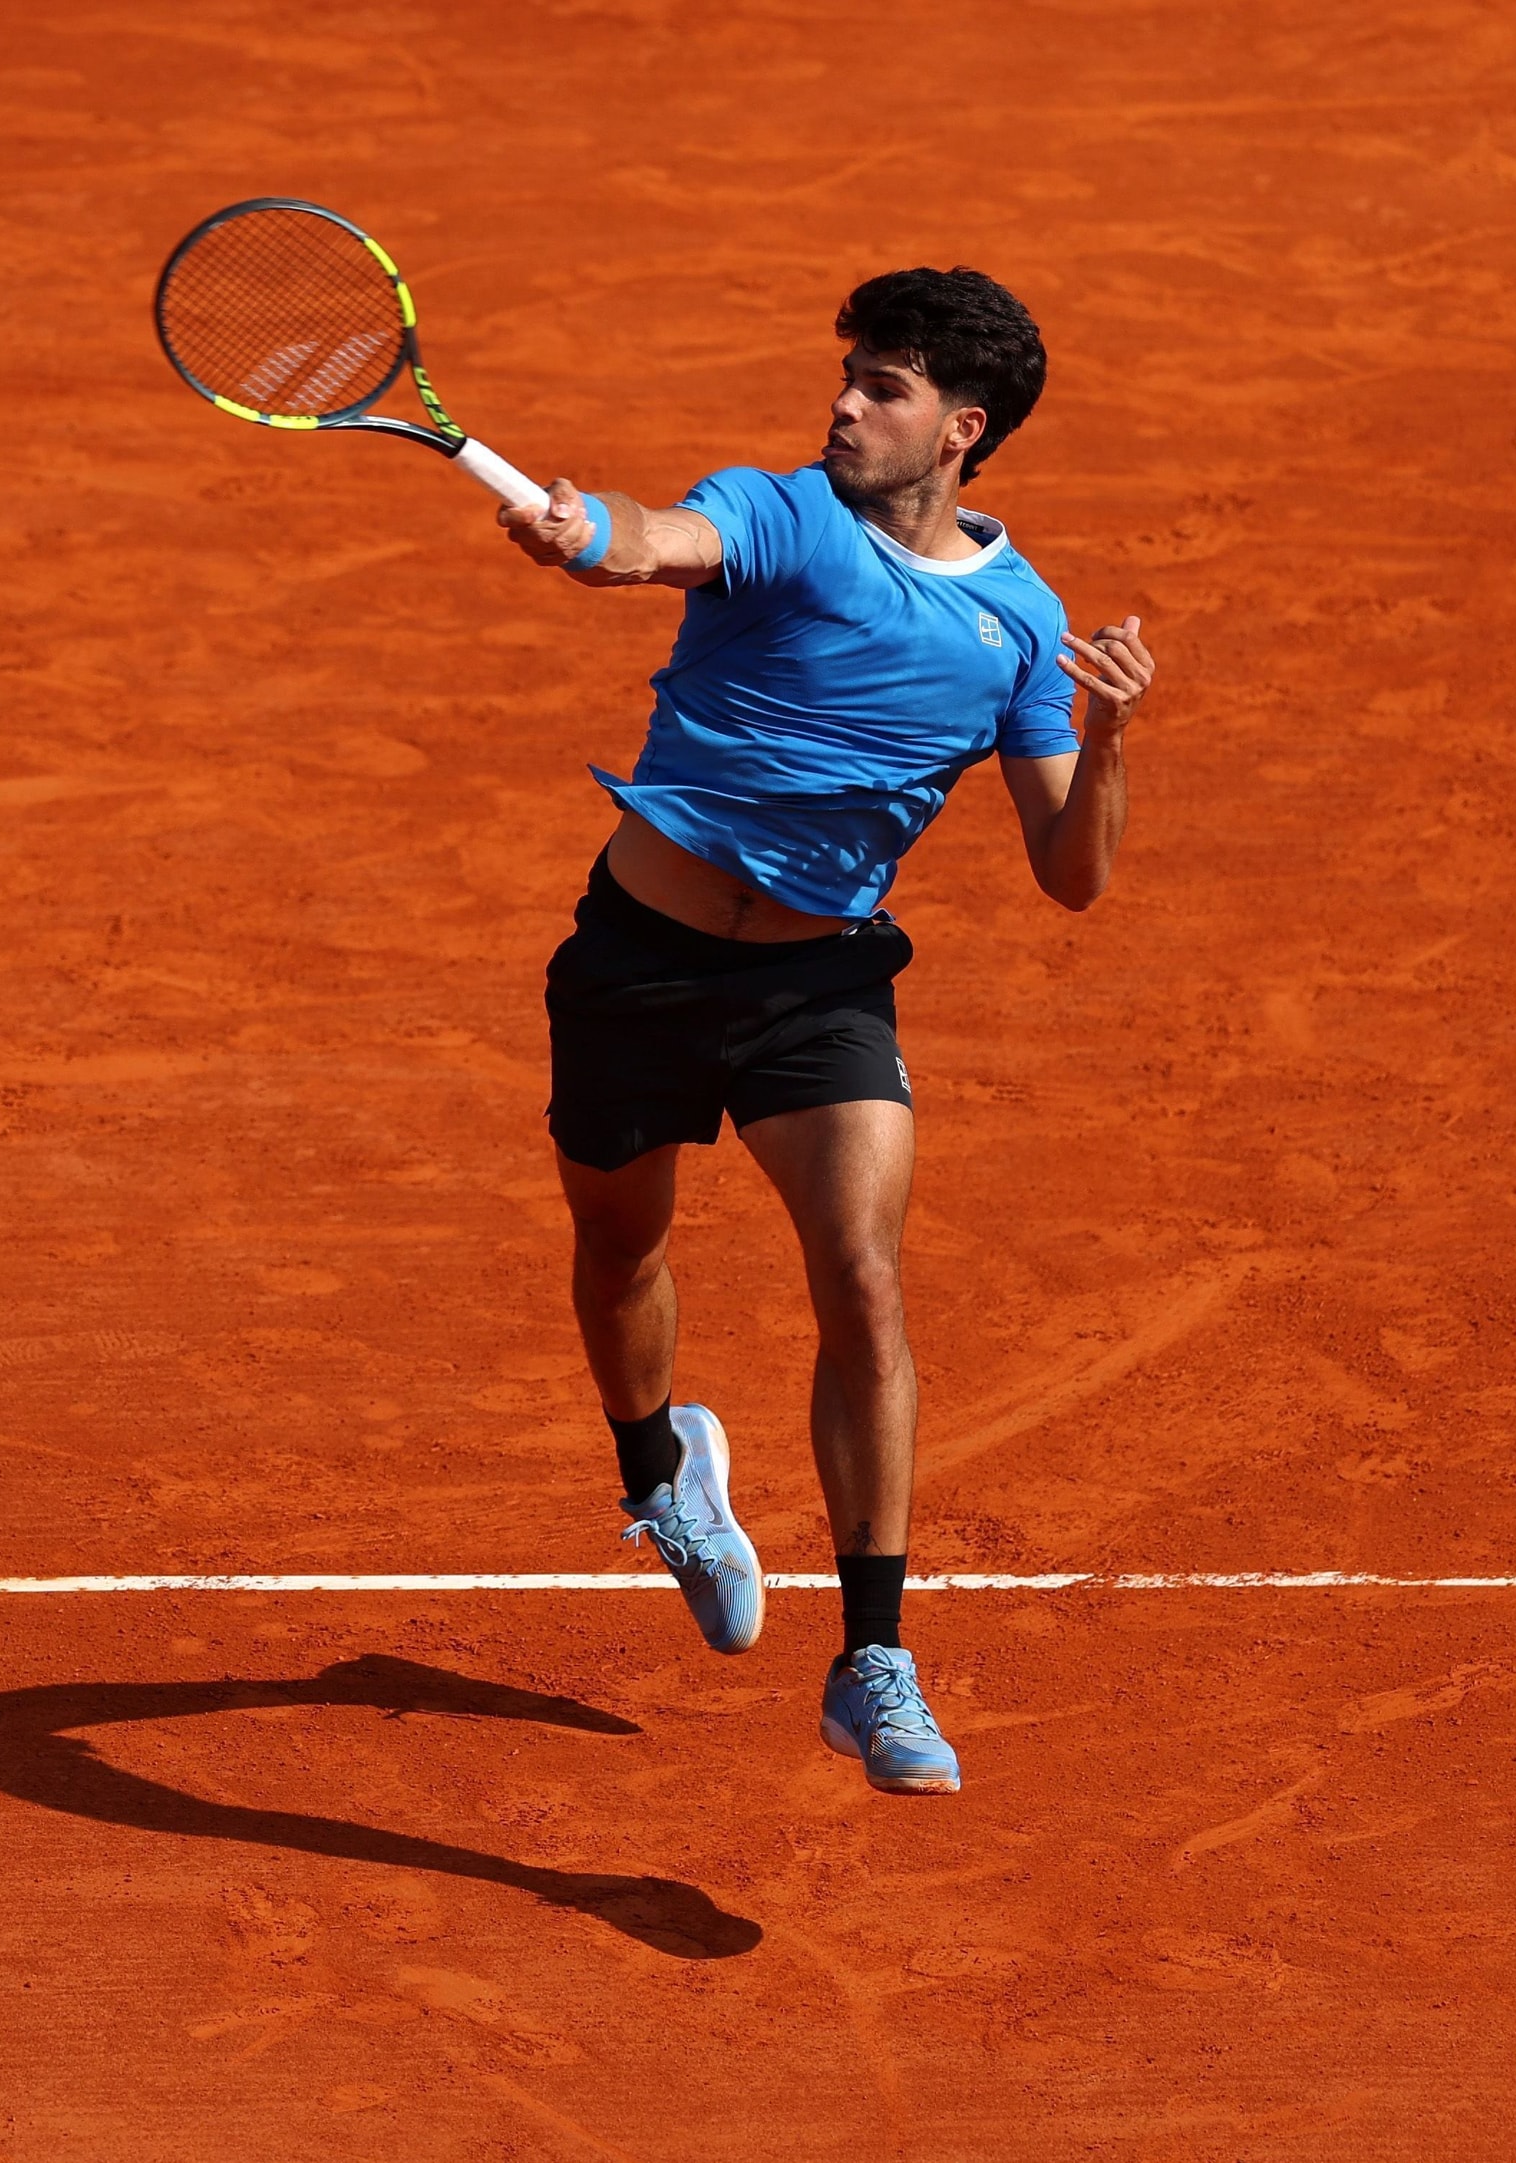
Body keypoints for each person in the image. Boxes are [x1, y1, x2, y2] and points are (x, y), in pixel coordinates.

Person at [497, 267, 1158, 1795]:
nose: (846, 406)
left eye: (886, 388)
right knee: (621, 1251)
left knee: (863, 1276)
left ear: (963, 430)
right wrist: (583, 533)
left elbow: (1072, 875)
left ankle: (874, 1660)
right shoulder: (787, 518)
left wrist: (1110, 741)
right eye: (849, 377)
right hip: (638, 966)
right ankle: (663, 1471)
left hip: (820, 990)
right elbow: (655, 540)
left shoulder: (1021, 623)